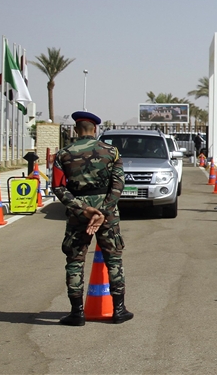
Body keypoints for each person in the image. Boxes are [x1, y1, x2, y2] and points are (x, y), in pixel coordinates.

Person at [51, 111, 133, 326]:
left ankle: (77, 313)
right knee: (113, 258)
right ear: (94, 129)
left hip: (78, 213)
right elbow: (118, 184)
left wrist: (84, 209)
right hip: (107, 213)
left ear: (76, 130)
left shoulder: (63, 154)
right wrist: (103, 211)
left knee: (75, 260)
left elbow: (58, 187)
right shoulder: (111, 152)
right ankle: (119, 310)